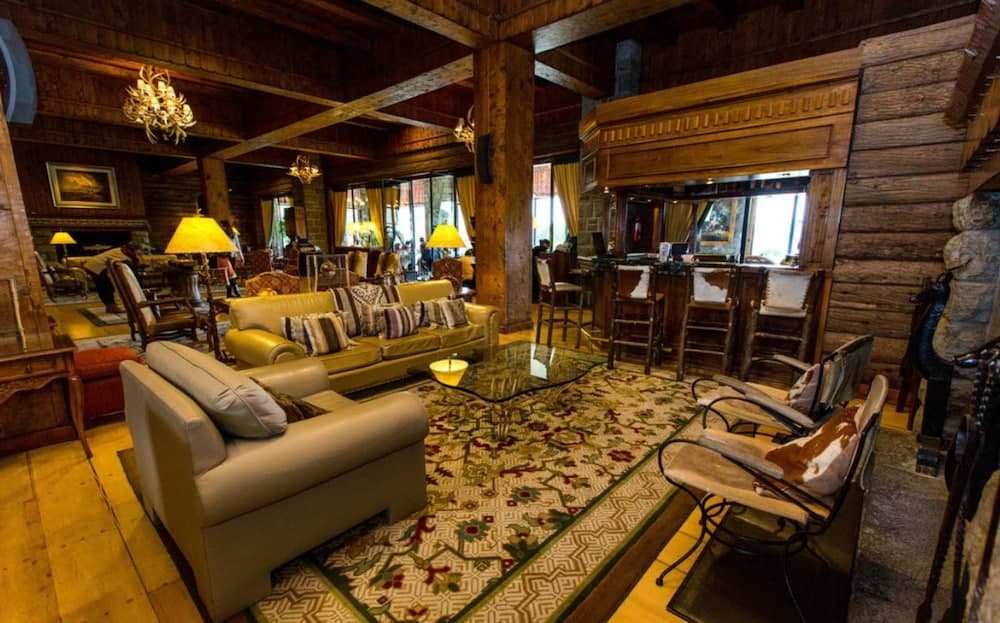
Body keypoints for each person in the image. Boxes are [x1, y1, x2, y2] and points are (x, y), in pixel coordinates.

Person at [82, 242, 142, 313]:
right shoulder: (123, 255)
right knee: (105, 287)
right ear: (129, 250)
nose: (137, 254)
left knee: (107, 286)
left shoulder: (122, 251)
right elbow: (131, 268)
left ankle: (110, 306)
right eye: (136, 252)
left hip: (96, 265)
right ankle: (111, 307)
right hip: (96, 266)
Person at [217, 219, 244, 297]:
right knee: (228, 274)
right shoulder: (220, 235)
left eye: (222, 226)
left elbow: (238, 246)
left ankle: (230, 292)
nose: (221, 227)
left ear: (226, 226)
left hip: (232, 256)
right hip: (223, 256)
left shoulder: (233, 235)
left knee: (230, 274)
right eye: (220, 226)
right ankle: (234, 291)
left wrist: (241, 256)